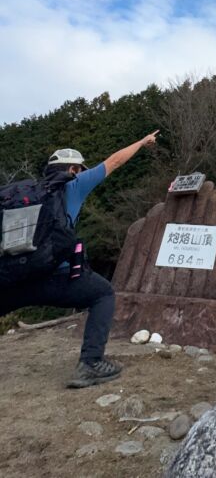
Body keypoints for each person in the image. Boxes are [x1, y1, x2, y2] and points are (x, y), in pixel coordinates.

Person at [0, 130, 159, 388]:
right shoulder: (72, 186)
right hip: (56, 276)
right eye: (80, 169)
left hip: (12, 279)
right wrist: (141, 142)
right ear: (73, 169)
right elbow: (114, 161)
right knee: (103, 294)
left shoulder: (18, 197)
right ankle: (91, 363)